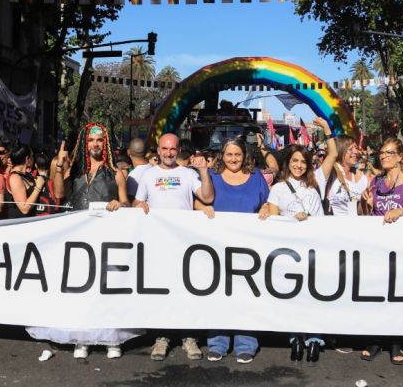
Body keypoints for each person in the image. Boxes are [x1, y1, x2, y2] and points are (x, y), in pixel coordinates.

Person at [29, 124, 136, 360]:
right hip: (79, 239)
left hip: (106, 237)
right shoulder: (75, 170)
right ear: (85, 144)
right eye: (91, 140)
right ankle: (82, 338)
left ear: (105, 144)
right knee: (81, 287)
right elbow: (59, 193)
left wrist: (120, 204)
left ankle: (111, 339)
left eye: (99, 140)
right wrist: (59, 166)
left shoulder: (116, 173)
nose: (95, 144)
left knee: (106, 287)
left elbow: (126, 202)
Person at [261, 117, 337, 364]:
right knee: (295, 297)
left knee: (315, 296)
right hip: (291, 253)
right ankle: (295, 337)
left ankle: (314, 339)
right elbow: (275, 223)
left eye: (303, 162)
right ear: (288, 163)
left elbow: (333, 154)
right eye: (294, 161)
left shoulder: (318, 181)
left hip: (316, 250)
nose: (298, 165)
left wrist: (326, 129)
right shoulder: (278, 189)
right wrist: (287, 219)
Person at [134, 133, 214, 362]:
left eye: (173, 149)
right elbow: (137, 201)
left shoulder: (188, 174)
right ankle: (162, 337)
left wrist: (204, 172)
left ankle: (189, 337)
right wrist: (139, 204)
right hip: (158, 243)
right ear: (158, 150)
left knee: (186, 290)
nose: (169, 153)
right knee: (161, 290)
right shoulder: (148, 175)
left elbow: (207, 198)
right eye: (164, 149)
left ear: (178, 150)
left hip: (184, 243)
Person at [194, 138, 271, 364]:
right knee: (218, 294)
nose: (233, 159)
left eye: (238, 154)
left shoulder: (256, 177)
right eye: (229, 154)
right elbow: (196, 201)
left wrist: (266, 208)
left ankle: (245, 343)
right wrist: (204, 207)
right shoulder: (213, 176)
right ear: (222, 155)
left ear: (244, 156)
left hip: (249, 247)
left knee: (246, 295)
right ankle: (217, 343)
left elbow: (268, 202)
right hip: (216, 246)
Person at [359, 137, 403, 366]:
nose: (384, 156)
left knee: (398, 294)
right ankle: (375, 340)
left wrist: (401, 212)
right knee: (376, 293)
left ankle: (396, 341)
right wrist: (366, 204)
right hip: (377, 247)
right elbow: (368, 213)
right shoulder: (376, 181)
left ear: (399, 157)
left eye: (389, 153)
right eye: (382, 153)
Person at [323, 135, 369, 216]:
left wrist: (364, 201)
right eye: (351, 149)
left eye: (356, 148)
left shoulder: (361, 178)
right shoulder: (331, 173)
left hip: (353, 223)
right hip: (332, 222)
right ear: (340, 150)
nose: (356, 152)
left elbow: (361, 212)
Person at [4, 145, 47, 219]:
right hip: (20, 223)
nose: (34, 159)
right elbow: (24, 209)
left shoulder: (26, 175)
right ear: (27, 159)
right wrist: (38, 187)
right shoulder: (15, 178)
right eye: (32, 156)